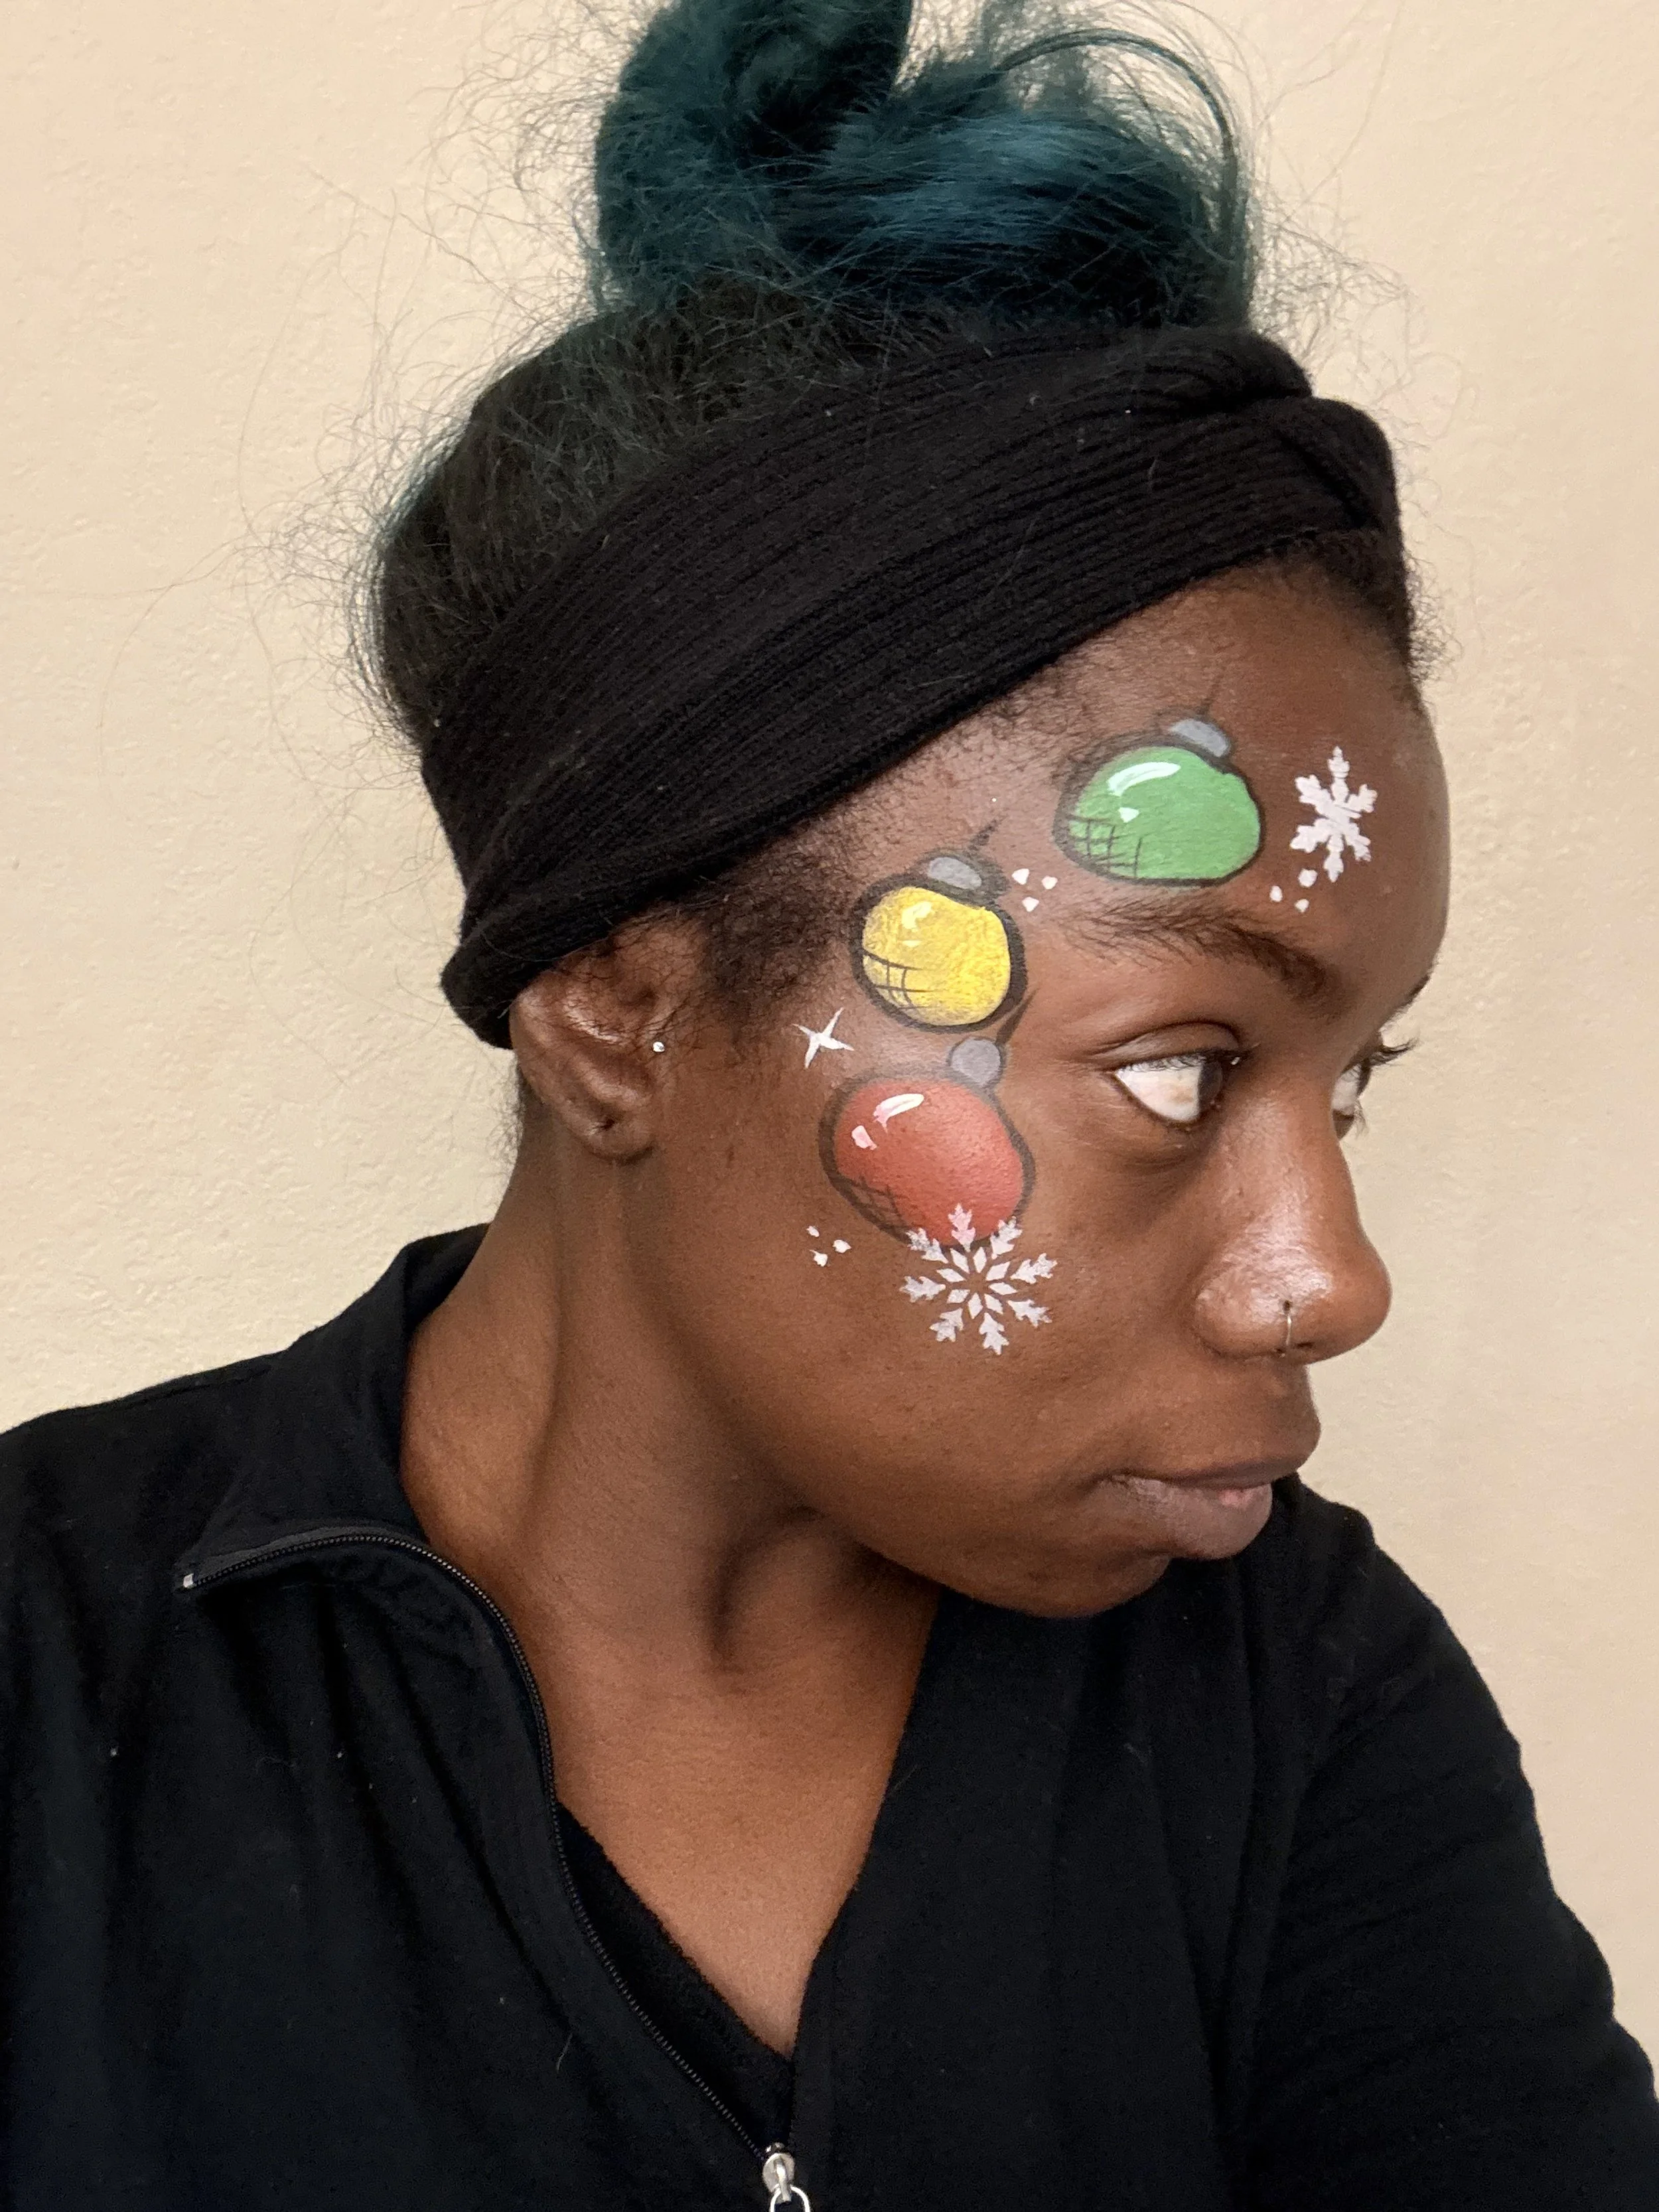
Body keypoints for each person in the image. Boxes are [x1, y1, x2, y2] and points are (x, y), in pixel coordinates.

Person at [4, 0, 1656, 2203]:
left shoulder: (1292, 1705)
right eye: (1176, 1063)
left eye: (1344, 1084)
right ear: (617, 1009)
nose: (1326, 1279)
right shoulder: (41, 1685)